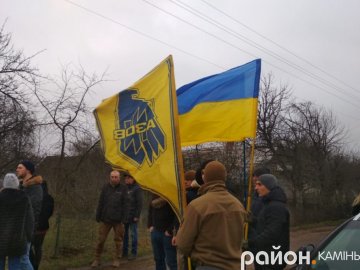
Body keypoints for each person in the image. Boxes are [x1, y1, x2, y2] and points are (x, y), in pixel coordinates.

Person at [176, 160, 247, 270]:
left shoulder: (197, 205)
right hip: (236, 266)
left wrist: (197, 254)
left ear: (205, 177)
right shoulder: (238, 205)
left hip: (208, 265)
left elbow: (183, 243)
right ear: (224, 177)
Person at [248, 174, 290, 270]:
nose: (256, 188)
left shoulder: (276, 207)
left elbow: (271, 233)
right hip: (266, 257)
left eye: (259, 184)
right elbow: (264, 224)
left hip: (272, 259)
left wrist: (250, 243)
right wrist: (252, 220)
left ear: (268, 186)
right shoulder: (268, 204)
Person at [91, 170, 129, 268]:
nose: (114, 179)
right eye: (112, 177)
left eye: (116, 177)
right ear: (110, 177)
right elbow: (101, 202)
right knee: (101, 240)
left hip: (118, 220)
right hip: (105, 219)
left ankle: (116, 259)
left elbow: (126, 205)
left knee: (118, 241)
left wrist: (124, 219)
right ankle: (97, 259)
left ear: (119, 178)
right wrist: (98, 215)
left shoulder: (123, 189)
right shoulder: (105, 187)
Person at [0, 173, 34, 270]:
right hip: (17, 240)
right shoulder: (24, 198)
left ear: (4, 184)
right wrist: (29, 237)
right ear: (17, 184)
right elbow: (30, 220)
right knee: (15, 265)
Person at [16, 160, 43, 270]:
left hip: (27, 227)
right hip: (18, 227)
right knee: (21, 258)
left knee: (23, 258)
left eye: (20, 167)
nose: (17, 169)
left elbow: (33, 208)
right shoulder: (22, 186)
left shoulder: (36, 187)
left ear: (28, 170)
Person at [148, 194, 178, 270]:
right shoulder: (153, 196)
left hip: (167, 234)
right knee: (158, 259)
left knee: (171, 261)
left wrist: (170, 230)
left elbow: (177, 216)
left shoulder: (171, 197)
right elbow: (150, 211)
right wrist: (150, 225)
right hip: (155, 232)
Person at [31, 181, 54, 270]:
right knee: (38, 247)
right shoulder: (50, 198)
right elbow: (50, 213)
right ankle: (36, 266)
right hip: (43, 227)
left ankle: (32, 264)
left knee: (28, 248)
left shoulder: (35, 197)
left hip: (34, 227)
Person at [122, 172, 143, 261]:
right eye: (125, 178)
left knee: (133, 234)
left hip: (133, 216)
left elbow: (140, 203)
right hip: (125, 216)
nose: (126, 179)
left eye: (128, 178)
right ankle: (125, 252)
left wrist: (137, 215)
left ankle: (134, 253)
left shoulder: (137, 189)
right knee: (124, 235)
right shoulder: (124, 188)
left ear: (133, 179)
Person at [249, 167, 271, 239]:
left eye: (257, 176)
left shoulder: (270, 197)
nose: (254, 178)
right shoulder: (254, 195)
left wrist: (253, 220)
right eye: (254, 176)